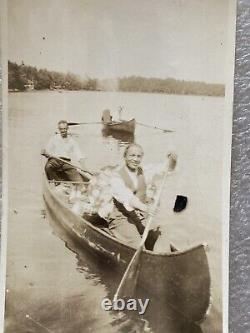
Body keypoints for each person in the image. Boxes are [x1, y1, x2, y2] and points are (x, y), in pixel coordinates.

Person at [107, 143, 177, 250]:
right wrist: (146, 208)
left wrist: (173, 159)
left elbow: (167, 168)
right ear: (125, 157)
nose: (135, 159)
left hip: (139, 216)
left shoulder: (145, 171)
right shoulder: (116, 177)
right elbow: (128, 198)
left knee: (161, 235)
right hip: (121, 218)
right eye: (132, 155)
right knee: (137, 245)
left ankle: (161, 259)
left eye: (138, 156)